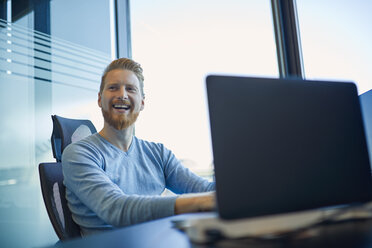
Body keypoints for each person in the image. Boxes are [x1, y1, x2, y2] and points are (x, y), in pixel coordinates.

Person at [62, 58, 215, 236]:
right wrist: (202, 202)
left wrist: (241, 191)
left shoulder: (159, 153)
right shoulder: (79, 153)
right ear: (99, 99)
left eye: (130, 89)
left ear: (142, 102)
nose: (122, 95)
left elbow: (202, 189)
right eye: (113, 88)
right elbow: (117, 209)